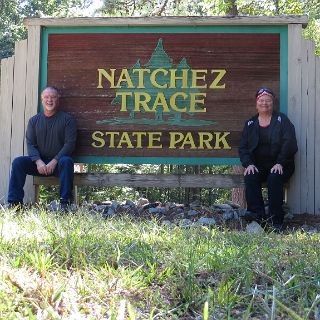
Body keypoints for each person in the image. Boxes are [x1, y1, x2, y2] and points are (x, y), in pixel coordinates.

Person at [7, 86, 77, 210]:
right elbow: (30, 144)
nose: (49, 100)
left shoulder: (68, 120)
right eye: (46, 97)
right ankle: (14, 204)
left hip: (58, 164)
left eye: (53, 97)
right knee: (18, 162)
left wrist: (54, 161)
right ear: (42, 99)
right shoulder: (34, 121)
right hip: (38, 164)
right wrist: (38, 162)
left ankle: (65, 204)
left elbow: (69, 144)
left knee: (67, 161)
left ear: (58, 99)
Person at [238, 88, 298, 229]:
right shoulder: (250, 124)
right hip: (259, 166)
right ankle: (257, 216)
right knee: (250, 175)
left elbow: (290, 143)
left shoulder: (282, 120)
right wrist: (248, 164)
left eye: (268, 100)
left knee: (274, 177)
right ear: (257, 103)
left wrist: (280, 162)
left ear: (273, 103)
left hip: (281, 165)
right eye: (261, 100)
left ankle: (276, 220)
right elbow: (243, 147)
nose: (264, 103)